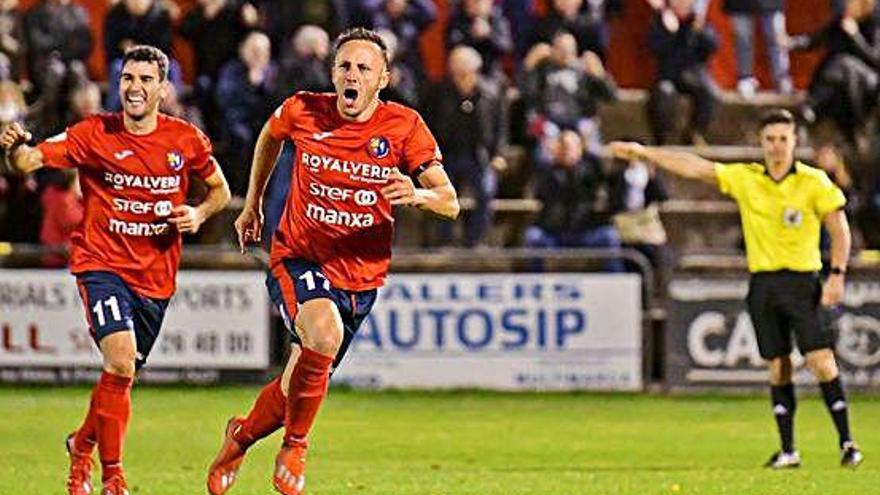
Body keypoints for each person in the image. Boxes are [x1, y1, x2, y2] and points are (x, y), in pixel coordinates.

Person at [205, 27, 459, 495]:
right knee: (324, 334)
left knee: (293, 390)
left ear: (382, 79)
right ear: (333, 72)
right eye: (345, 66)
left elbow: (451, 201)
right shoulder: (305, 109)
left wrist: (418, 194)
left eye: (364, 68)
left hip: (360, 278)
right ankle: (296, 447)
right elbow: (269, 134)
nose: (352, 74)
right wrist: (253, 203)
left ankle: (239, 437)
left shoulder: (404, 126)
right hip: (299, 257)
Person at [0, 45, 231, 494]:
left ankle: (80, 446)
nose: (135, 88)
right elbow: (29, 163)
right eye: (128, 78)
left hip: (156, 278)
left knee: (118, 378)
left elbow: (220, 189)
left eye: (146, 80)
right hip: (101, 264)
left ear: (164, 89)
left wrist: (199, 214)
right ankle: (114, 477)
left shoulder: (185, 139)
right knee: (121, 363)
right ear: (117, 84)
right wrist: (15, 149)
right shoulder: (93, 134)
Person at [609, 109, 864, 469]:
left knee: (821, 361)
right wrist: (645, 153)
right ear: (761, 143)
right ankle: (789, 450)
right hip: (763, 282)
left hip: (803, 280)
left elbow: (840, 230)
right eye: (770, 140)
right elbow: (696, 167)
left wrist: (837, 275)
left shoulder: (814, 182)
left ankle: (847, 442)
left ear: (794, 142)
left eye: (783, 139)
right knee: (777, 366)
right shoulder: (747, 179)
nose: (777, 147)